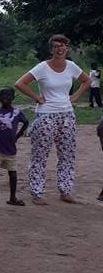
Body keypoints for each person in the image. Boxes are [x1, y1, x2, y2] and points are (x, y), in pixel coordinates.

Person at [14, 35, 90, 204]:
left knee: (67, 155)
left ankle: (65, 190)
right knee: (39, 155)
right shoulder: (42, 67)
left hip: (67, 115)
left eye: (63, 46)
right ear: (51, 49)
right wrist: (36, 97)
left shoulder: (71, 66)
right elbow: (20, 83)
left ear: (67, 48)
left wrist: (75, 97)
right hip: (46, 115)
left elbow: (87, 81)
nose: (60, 49)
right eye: (56, 46)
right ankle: (37, 192)